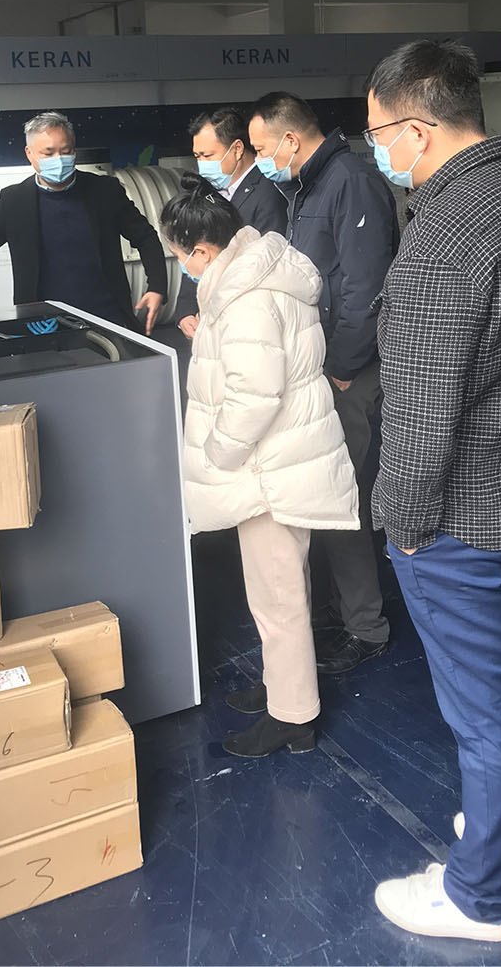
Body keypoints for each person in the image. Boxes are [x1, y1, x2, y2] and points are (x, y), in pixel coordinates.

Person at [365, 40, 501, 943]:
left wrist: (403, 525)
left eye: (378, 133)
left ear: (417, 129)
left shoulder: (438, 245)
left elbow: (419, 422)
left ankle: (478, 895)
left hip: (463, 526)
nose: (377, 150)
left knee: (487, 716)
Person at [161, 174, 359, 758]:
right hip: (279, 461)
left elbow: (255, 394)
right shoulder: (255, 274)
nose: (181, 267)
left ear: (202, 250)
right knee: (276, 590)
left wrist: (218, 451)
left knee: (278, 597)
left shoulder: (246, 297)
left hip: (268, 470)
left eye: (179, 256)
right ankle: (281, 687)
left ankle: (293, 716)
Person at [248, 92, 397, 675]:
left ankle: (367, 627)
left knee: (345, 496)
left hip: (348, 372)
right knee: (327, 494)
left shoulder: (349, 182)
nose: (259, 159)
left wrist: (340, 365)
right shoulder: (308, 185)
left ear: (290, 139)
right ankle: (344, 608)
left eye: (261, 147)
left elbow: (366, 289)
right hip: (324, 367)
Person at [0, 111, 167, 334]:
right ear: (29, 154)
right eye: (48, 153)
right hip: (44, 324)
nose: (59, 160)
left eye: (66, 151)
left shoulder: (105, 191)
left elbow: (145, 237)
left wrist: (157, 287)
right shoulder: (15, 201)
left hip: (109, 318)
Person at [174, 106, 288, 340]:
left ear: (237, 149)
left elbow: (266, 264)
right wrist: (185, 310)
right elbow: (195, 252)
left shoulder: (269, 193)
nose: (201, 164)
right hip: (208, 322)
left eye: (208, 156)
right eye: (197, 156)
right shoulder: (205, 190)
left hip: (249, 322)